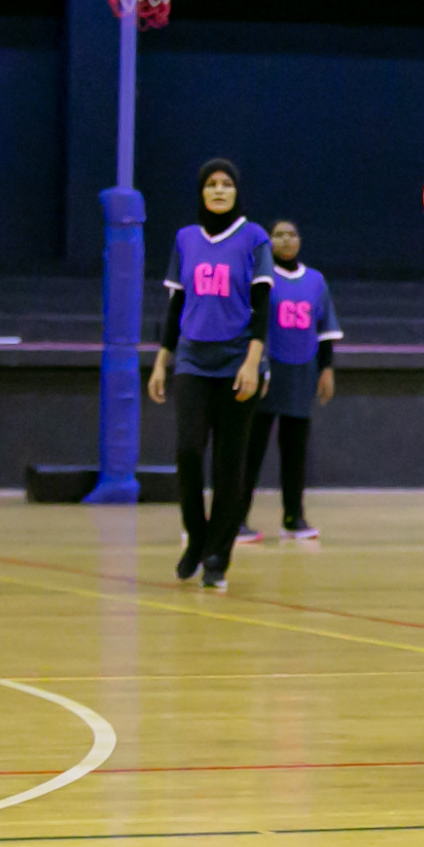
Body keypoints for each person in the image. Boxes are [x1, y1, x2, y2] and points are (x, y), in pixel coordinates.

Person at [147, 159, 273, 591]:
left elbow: (261, 309)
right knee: (187, 451)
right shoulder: (185, 239)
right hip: (193, 361)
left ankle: (219, 556)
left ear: (236, 192)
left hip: (238, 361)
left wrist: (254, 362)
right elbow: (175, 307)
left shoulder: (255, 238)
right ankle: (196, 538)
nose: (219, 191)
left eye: (226, 185)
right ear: (201, 192)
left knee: (228, 465)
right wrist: (162, 360)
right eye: (211, 185)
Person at [239, 220, 342, 542]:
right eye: (279, 234)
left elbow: (325, 332)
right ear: (269, 241)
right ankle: (237, 519)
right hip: (266, 373)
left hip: (301, 373)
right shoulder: (261, 278)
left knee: (295, 451)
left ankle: (293, 518)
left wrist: (327, 369)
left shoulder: (315, 281)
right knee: (250, 450)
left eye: (292, 234)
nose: (286, 239)